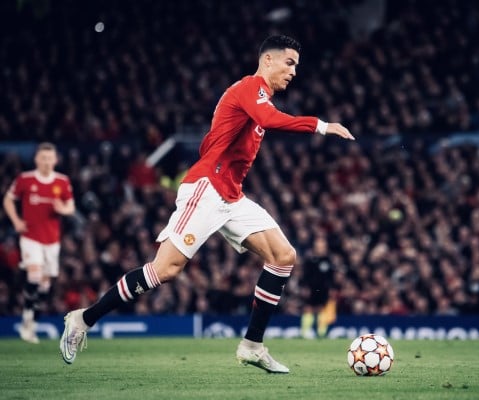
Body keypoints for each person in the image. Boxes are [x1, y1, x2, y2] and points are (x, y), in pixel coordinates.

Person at [59, 35, 354, 371]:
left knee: (283, 256)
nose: (294, 72)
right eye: (289, 63)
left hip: (231, 195)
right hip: (207, 188)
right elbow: (269, 120)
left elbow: (217, 139)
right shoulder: (250, 87)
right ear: (268, 60)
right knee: (165, 270)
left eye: (296, 66)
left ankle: (252, 346)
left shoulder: (256, 98)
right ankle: (84, 319)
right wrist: (322, 125)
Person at [3, 142, 75, 343]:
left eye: (50, 158)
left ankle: (32, 324)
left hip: (52, 241)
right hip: (30, 237)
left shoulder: (62, 181)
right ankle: (27, 317)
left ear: (55, 160)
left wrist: (62, 209)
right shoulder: (25, 179)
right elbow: (8, 199)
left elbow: (70, 207)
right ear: (36, 159)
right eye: (43, 158)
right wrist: (16, 221)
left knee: (44, 286)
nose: (46, 162)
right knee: (34, 275)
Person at [300, 236, 336, 338]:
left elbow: (331, 276)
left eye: (322, 246)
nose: (321, 248)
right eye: (318, 246)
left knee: (321, 309)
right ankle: (305, 332)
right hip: (311, 289)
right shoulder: (310, 260)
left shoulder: (328, 260)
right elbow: (305, 275)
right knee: (308, 308)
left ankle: (321, 332)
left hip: (324, 289)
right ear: (315, 247)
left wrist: (332, 288)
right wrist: (305, 287)